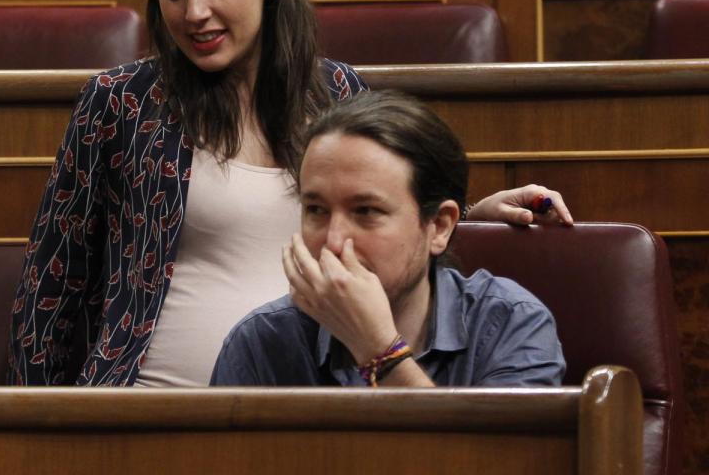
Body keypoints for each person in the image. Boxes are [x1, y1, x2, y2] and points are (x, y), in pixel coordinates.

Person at [7, 0, 571, 387]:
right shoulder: (121, 101)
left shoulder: (338, 91)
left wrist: (469, 219)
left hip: (312, 396)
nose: (194, 12)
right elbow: (52, 285)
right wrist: (29, 435)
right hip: (147, 403)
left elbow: (378, 222)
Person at [211, 91, 566, 387]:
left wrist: (380, 352)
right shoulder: (262, 341)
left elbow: (483, 452)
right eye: (316, 210)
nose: (333, 242)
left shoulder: (510, 324)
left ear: (439, 226)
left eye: (366, 211)